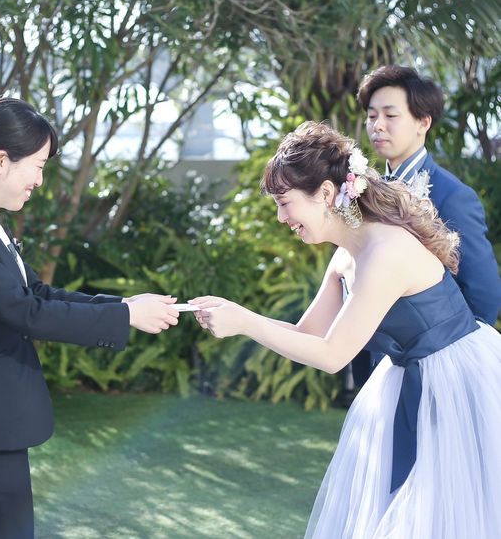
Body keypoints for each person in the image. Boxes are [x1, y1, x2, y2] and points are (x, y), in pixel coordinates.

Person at [190, 121, 501, 538]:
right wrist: (238, 316)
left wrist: (245, 322)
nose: (282, 217)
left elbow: (333, 356)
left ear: (324, 193)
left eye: (285, 203)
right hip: (406, 379)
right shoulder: (344, 257)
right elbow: (309, 333)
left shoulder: (385, 250)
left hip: (456, 381)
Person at [0, 98, 180, 539]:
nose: (39, 181)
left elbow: (36, 294)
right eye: (38, 166)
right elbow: (27, 313)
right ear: (1, 161)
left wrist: (123, 306)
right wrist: (125, 316)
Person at [346, 64, 501, 389]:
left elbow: (483, 297)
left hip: (434, 373)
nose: (377, 125)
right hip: (374, 368)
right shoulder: (361, 190)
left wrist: (446, 365)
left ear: (423, 122)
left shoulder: (452, 196)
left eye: (390, 115)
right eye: (372, 116)